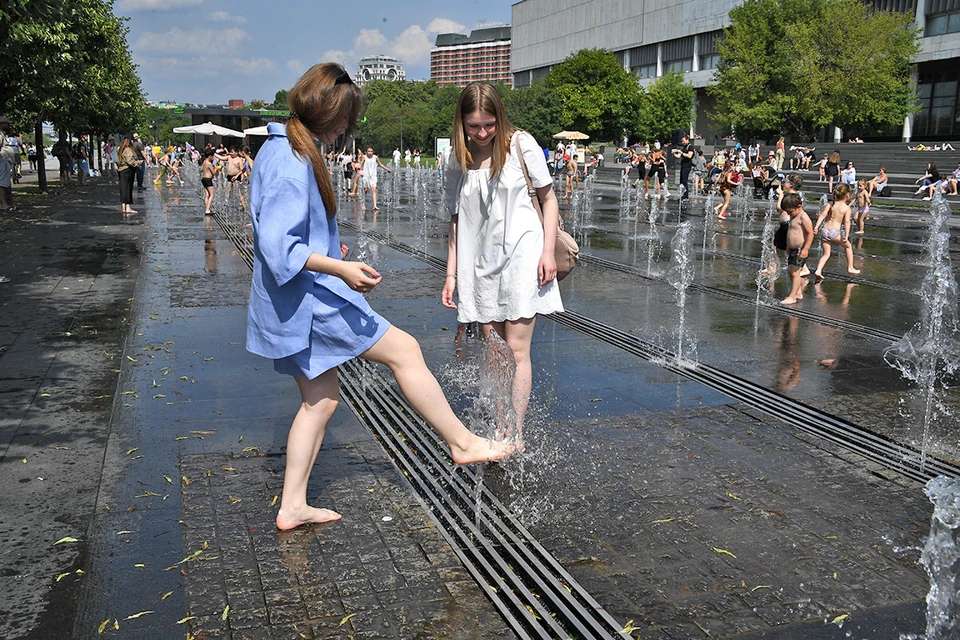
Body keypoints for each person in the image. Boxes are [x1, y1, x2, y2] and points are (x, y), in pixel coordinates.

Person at [246, 64, 514, 531]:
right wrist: (339, 267)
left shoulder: (280, 148)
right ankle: (463, 443)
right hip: (311, 302)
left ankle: (292, 506)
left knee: (321, 399)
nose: (347, 130)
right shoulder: (292, 161)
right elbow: (280, 248)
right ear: (330, 114)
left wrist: (329, 249)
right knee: (405, 351)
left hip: (292, 300)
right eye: (346, 120)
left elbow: (289, 236)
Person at [442, 82, 564, 451]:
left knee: (517, 348)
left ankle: (516, 430)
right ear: (461, 124)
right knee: (494, 349)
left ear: (500, 119)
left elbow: (549, 200)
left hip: (523, 254)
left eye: (489, 124)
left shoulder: (520, 145)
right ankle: (500, 423)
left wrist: (547, 252)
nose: (481, 133)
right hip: (480, 260)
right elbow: (454, 220)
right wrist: (451, 274)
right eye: (473, 126)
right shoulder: (456, 158)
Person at [813, 183, 861, 279]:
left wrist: (816, 227)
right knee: (848, 246)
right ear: (848, 195)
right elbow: (847, 222)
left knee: (826, 253)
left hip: (825, 231)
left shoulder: (831, 204)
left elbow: (822, 215)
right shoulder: (846, 208)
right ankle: (850, 267)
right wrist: (846, 236)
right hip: (834, 232)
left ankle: (818, 270)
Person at [780, 192, 814, 305]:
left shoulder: (803, 217)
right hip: (793, 249)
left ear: (798, 206)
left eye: (790, 211)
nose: (789, 214)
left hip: (800, 249)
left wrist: (805, 249)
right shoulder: (794, 215)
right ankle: (798, 292)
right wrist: (789, 246)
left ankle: (792, 296)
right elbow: (791, 232)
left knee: (795, 272)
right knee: (791, 271)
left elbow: (810, 233)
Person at [360, 145, 392, 210]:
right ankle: (363, 203)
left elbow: (380, 164)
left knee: (374, 189)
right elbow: (360, 165)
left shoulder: (375, 157)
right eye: (368, 151)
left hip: (373, 176)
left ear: (373, 151)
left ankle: (374, 205)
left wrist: (387, 169)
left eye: (371, 151)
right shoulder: (364, 157)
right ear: (366, 152)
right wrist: (360, 173)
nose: (370, 153)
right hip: (366, 176)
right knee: (365, 190)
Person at [116, 136, 141, 216]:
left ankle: (124, 206)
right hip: (128, 170)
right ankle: (128, 207)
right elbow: (130, 161)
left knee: (123, 189)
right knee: (127, 189)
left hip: (122, 170)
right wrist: (138, 163)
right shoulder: (128, 150)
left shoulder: (121, 149)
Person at [673, 134, 694, 199]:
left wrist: (681, 153)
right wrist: (674, 153)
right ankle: (683, 194)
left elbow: (689, 156)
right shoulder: (684, 147)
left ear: (687, 140)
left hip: (687, 166)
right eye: (682, 141)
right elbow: (679, 156)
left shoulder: (690, 147)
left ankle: (686, 195)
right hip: (683, 166)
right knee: (681, 181)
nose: (682, 142)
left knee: (685, 180)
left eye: (683, 141)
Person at [200, 148, 217, 215]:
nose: (213, 158)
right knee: (212, 195)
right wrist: (216, 168)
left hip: (203, 179)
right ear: (210, 156)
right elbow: (213, 173)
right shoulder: (209, 163)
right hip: (208, 180)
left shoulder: (204, 162)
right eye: (212, 157)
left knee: (207, 195)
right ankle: (207, 210)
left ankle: (207, 208)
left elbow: (201, 169)